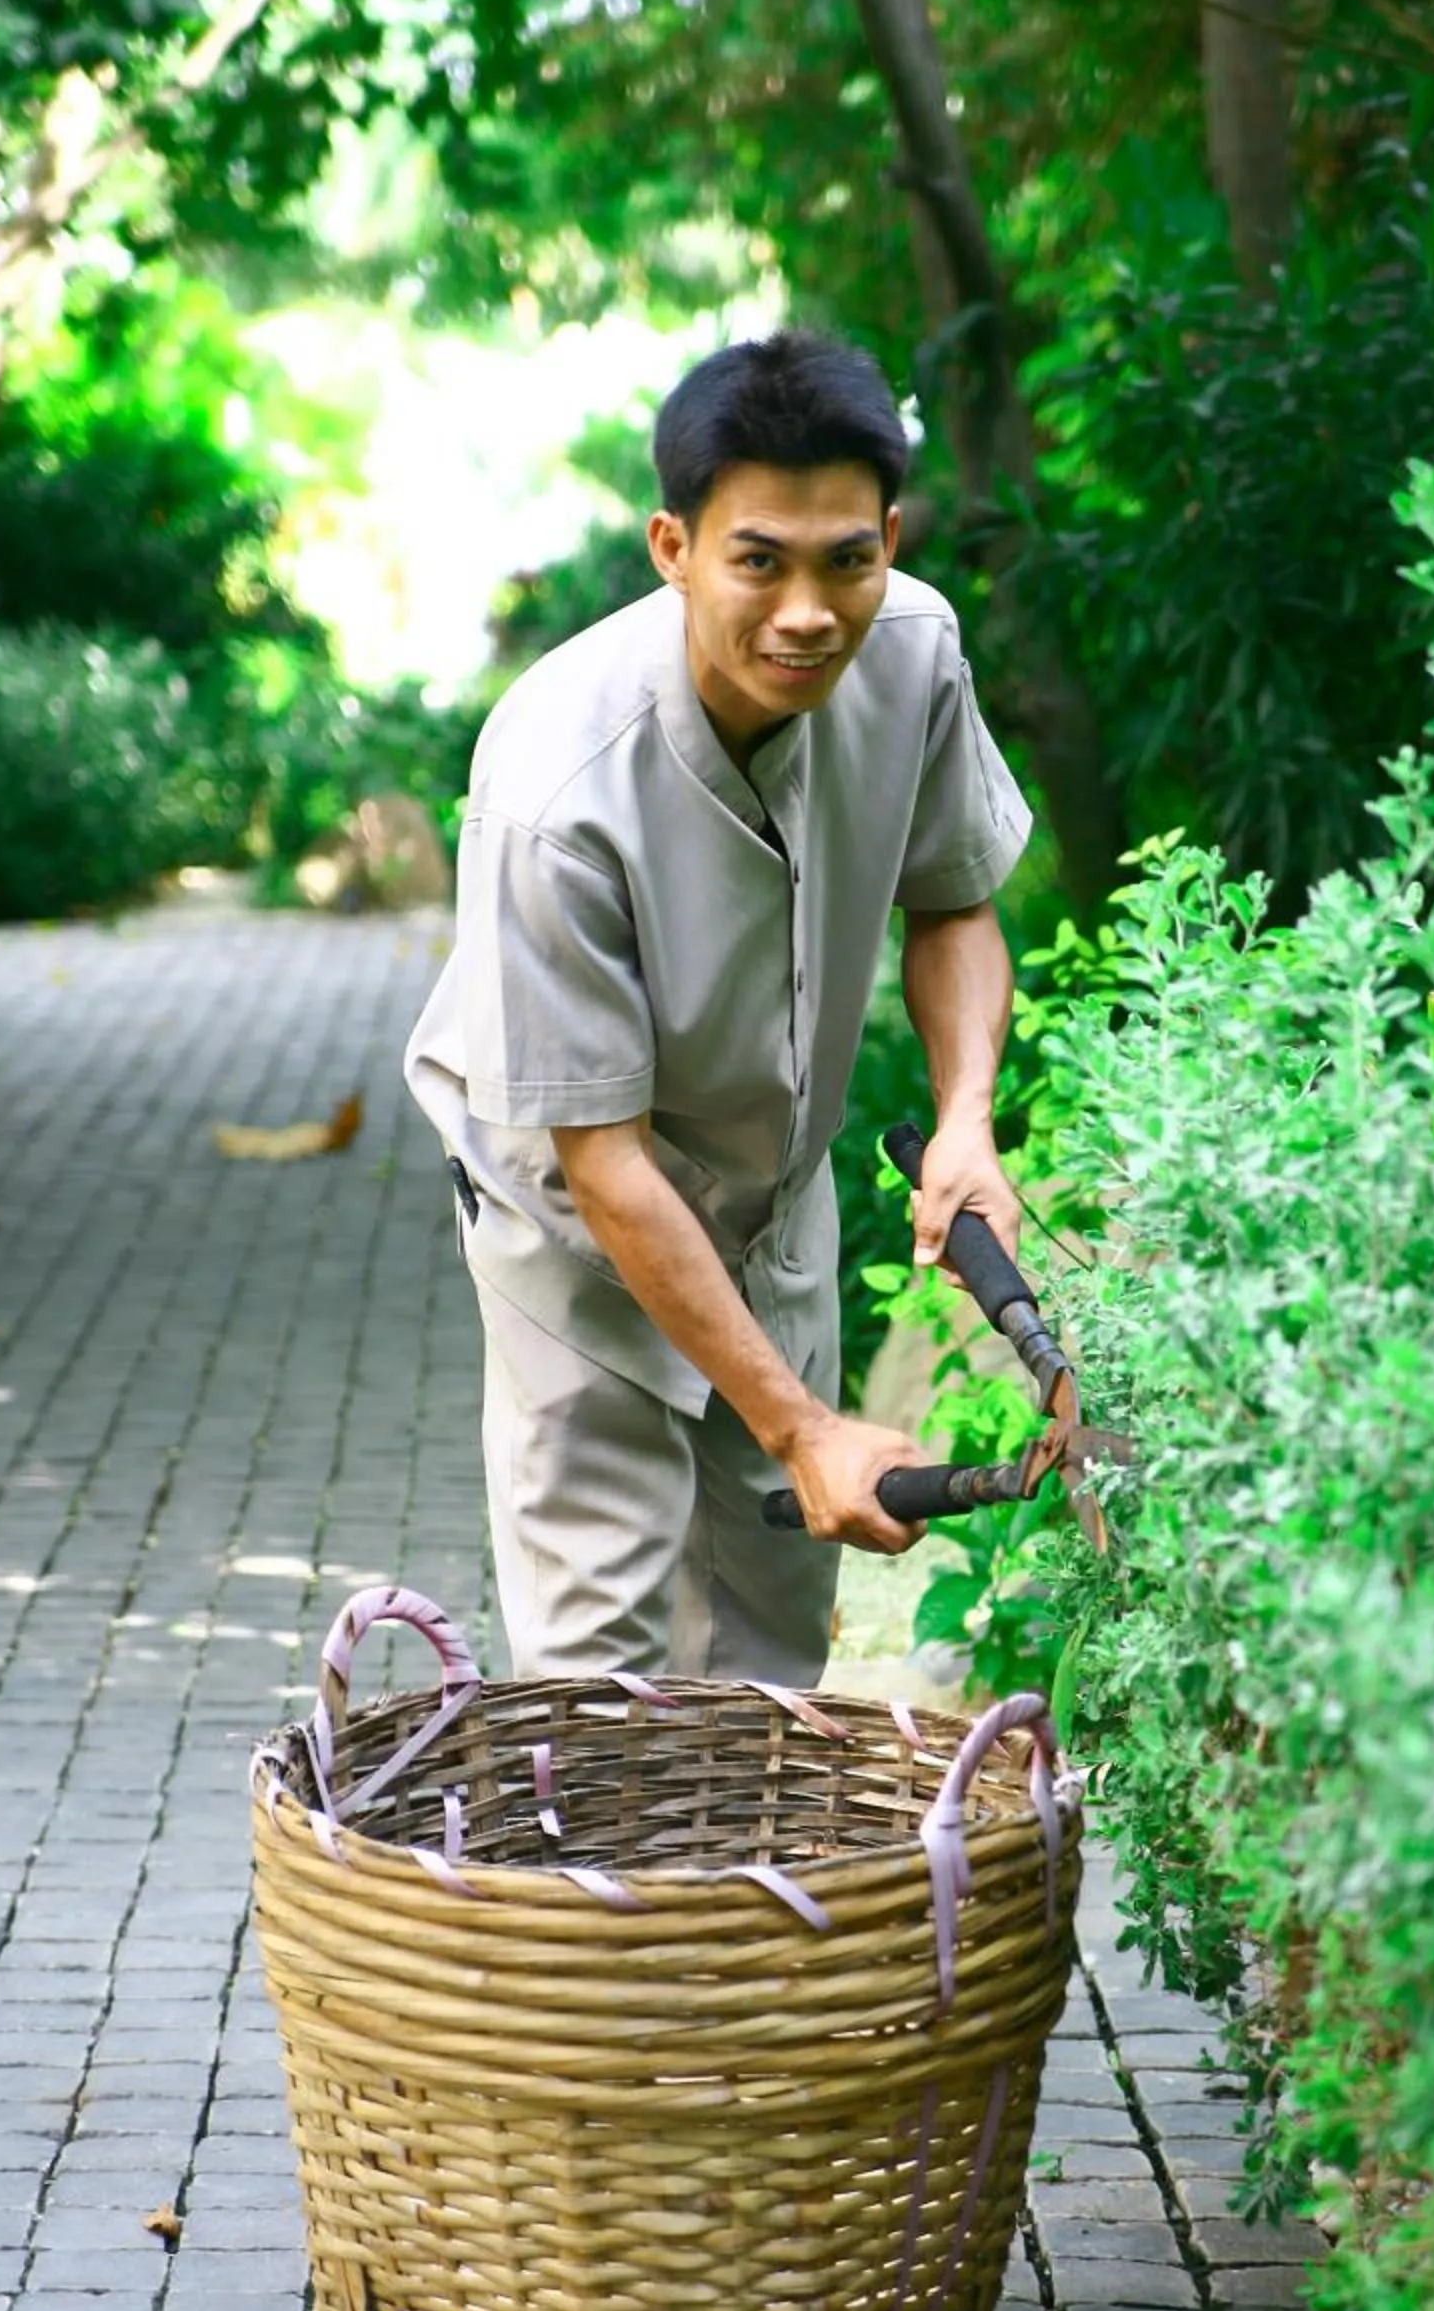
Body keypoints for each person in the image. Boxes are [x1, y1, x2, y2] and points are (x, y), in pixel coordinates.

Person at [404, 329, 1031, 1685]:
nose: (808, 611)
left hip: (773, 1195)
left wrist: (965, 1120)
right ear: (672, 547)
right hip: (575, 1222)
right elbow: (605, 1160)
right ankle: (590, 1894)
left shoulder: (916, 654)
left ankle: (733, 1899)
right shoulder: (555, 781)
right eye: (760, 560)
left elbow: (956, 898)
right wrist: (807, 1427)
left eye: (845, 559)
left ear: (890, 537)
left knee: (766, 1656)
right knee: (601, 1682)